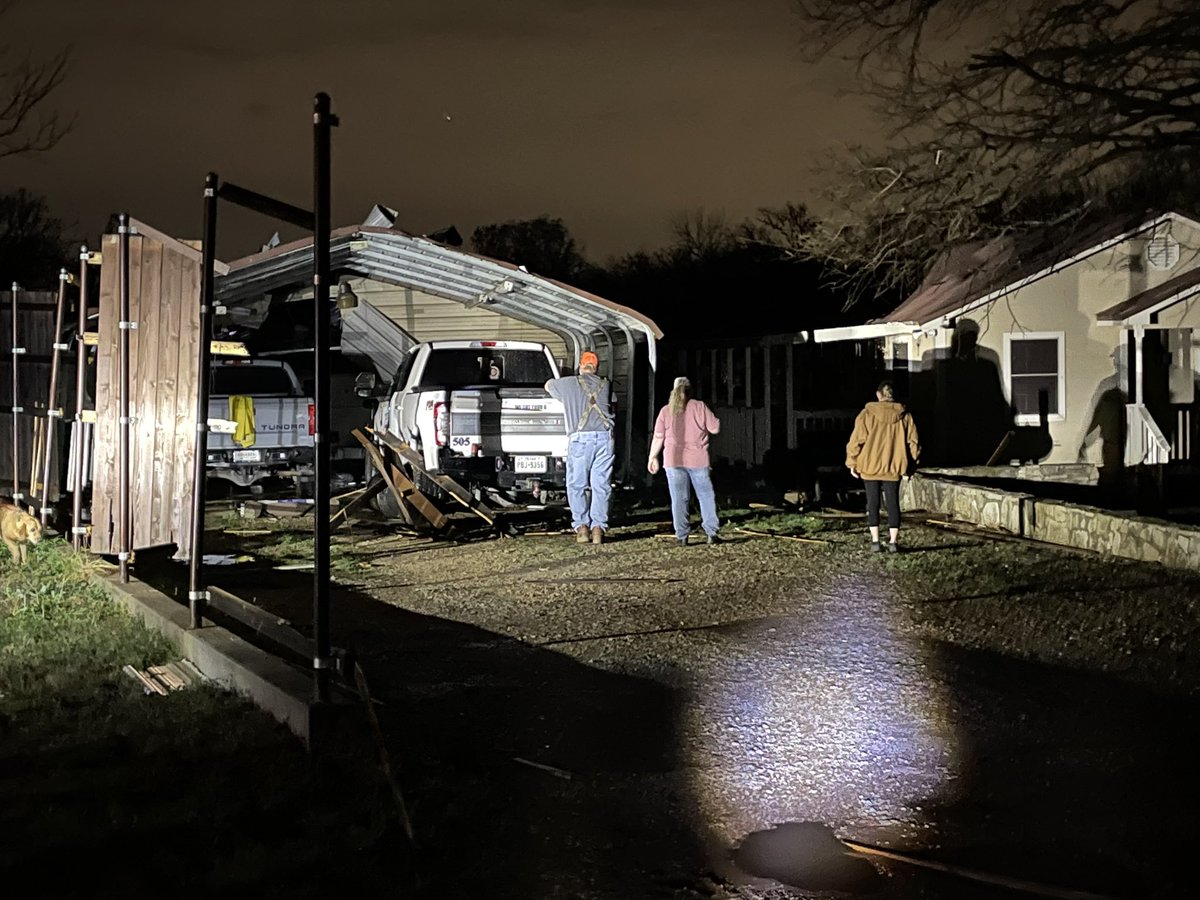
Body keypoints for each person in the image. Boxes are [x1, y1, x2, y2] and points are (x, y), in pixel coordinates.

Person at [545, 350, 615, 544]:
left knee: (577, 484)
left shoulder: (568, 383)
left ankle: (582, 527)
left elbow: (548, 385)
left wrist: (567, 398)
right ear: (596, 367)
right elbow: (612, 404)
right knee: (601, 485)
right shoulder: (605, 384)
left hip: (580, 439)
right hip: (604, 438)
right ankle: (598, 528)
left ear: (580, 366)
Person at [845, 380, 920, 553]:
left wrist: (852, 461)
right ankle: (893, 542)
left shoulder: (867, 414)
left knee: (872, 503)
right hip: (894, 466)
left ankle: (875, 541)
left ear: (879, 395)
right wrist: (911, 466)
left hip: (869, 465)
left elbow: (856, 440)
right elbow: (913, 443)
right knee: (893, 503)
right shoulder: (905, 416)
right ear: (892, 395)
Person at [647, 376, 721, 546]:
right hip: (698, 459)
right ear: (691, 390)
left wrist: (653, 457)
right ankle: (711, 533)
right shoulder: (700, 407)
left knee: (679, 498)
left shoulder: (666, 411)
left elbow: (658, 436)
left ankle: (682, 535)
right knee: (705, 495)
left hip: (673, 460)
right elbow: (715, 428)